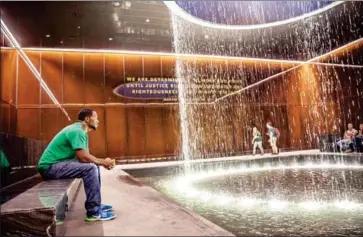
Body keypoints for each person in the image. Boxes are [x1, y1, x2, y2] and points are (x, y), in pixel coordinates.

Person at [37, 108, 116, 222]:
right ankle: (93, 212)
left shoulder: (81, 131)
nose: (98, 121)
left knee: (93, 166)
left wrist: (101, 162)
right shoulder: (77, 131)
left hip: (58, 165)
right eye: (96, 117)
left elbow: (86, 158)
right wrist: (103, 161)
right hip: (50, 168)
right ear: (88, 119)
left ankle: (96, 204)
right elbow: (83, 157)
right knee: (91, 168)